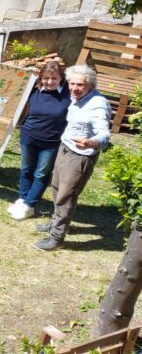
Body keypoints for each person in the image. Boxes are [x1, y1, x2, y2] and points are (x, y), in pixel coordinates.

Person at [35, 65, 110, 251]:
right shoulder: (76, 97)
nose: (75, 88)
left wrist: (90, 142)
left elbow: (104, 134)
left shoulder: (98, 104)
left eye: (80, 85)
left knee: (66, 196)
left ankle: (56, 238)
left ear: (90, 85)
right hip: (65, 148)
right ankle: (56, 224)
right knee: (56, 188)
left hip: (80, 156)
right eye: (72, 83)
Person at [10, 61, 71, 221]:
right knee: (26, 170)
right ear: (40, 77)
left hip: (51, 142)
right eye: (46, 78)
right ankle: (22, 200)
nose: (49, 82)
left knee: (41, 174)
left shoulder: (68, 93)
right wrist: (27, 71)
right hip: (28, 136)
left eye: (54, 78)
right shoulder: (34, 89)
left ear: (61, 79)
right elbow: (14, 80)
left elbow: (85, 82)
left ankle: (29, 205)